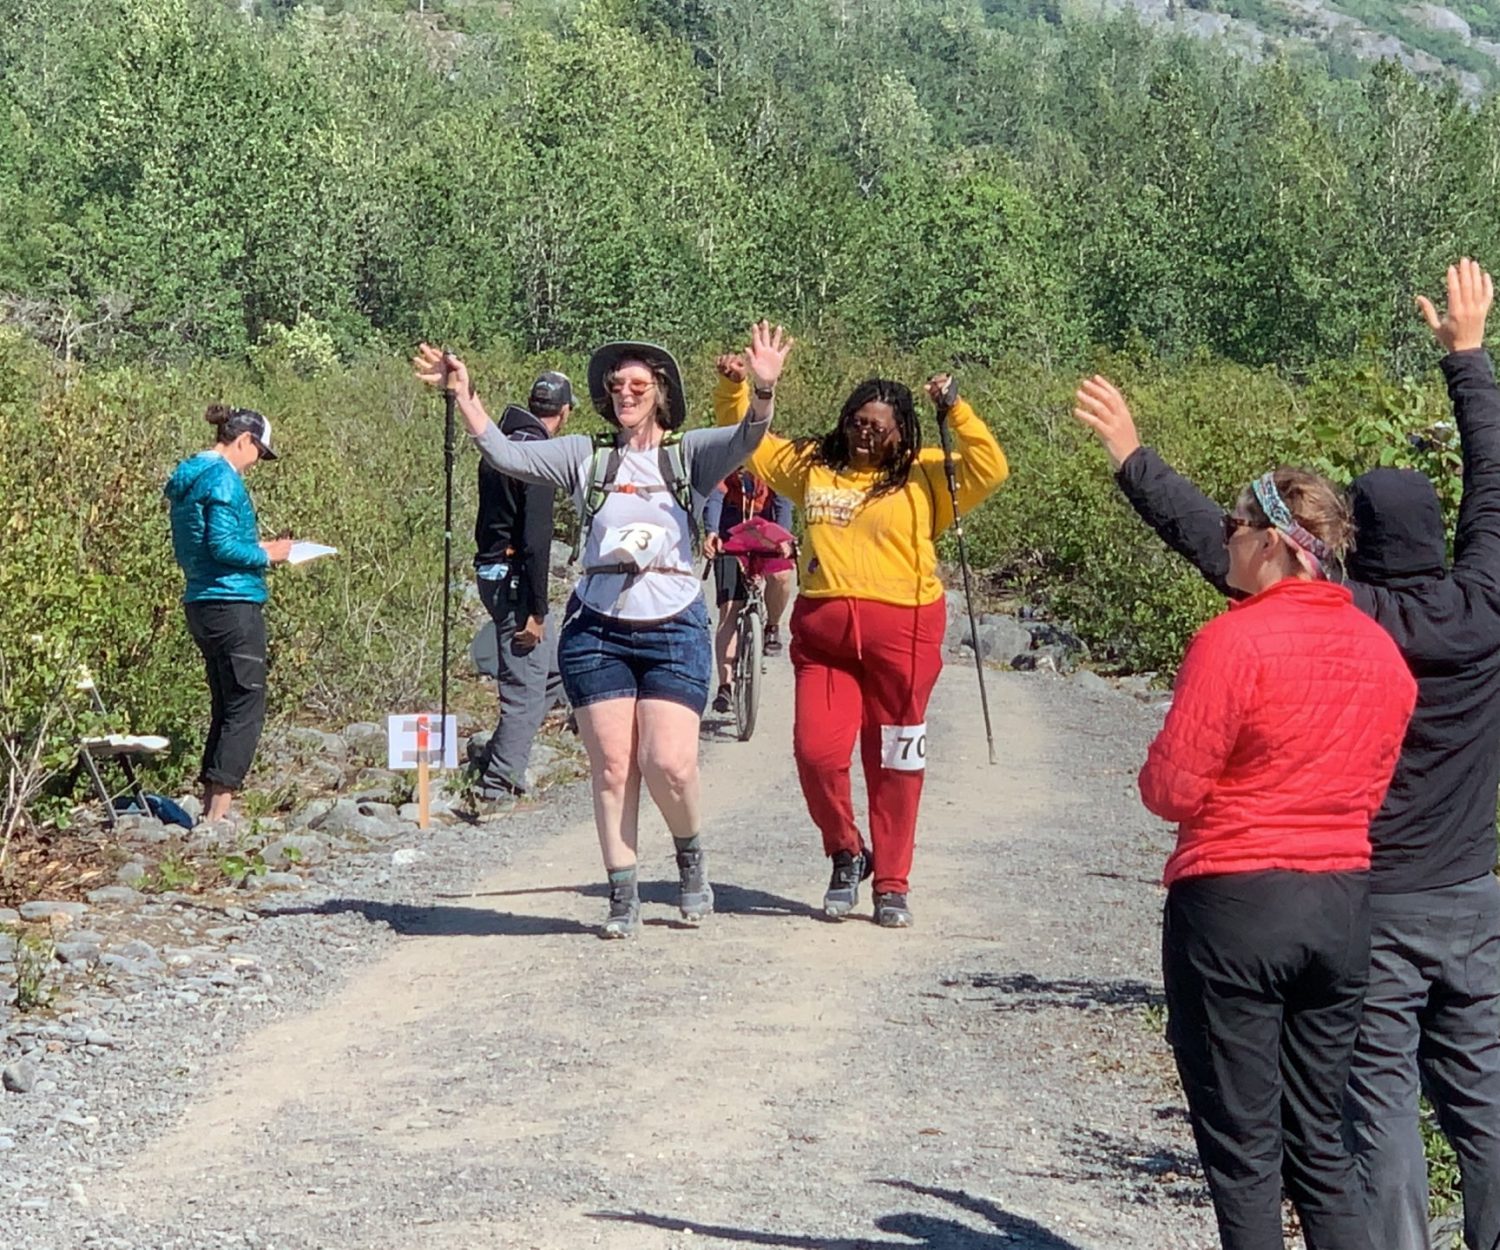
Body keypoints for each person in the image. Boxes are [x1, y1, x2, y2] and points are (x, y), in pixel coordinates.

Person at [1075, 259, 1500, 1250]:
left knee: (1368, 1112)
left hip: (1360, 890)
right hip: (1471, 895)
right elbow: (1494, 493)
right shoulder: (1482, 605)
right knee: (1483, 1100)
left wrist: (1135, 459)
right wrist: (1469, 360)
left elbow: (1221, 550)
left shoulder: (1350, 614)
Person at [414, 323, 791, 937]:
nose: (625, 393)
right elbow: (508, 455)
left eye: (637, 384)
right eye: (616, 385)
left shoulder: (688, 454)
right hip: (598, 629)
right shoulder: (585, 457)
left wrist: (764, 388)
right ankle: (622, 893)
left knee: (670, 763)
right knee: (613, 766)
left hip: (673, 627)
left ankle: (690, 858)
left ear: (660, 391)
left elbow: (751, 435)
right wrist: (464, 394)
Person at [1139, 465, 1415, 1250]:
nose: (1225, 539)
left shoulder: (1232, 641)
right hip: (1340, 907)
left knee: (1244, 1153)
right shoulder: (1382, 653)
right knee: (1321, 1141)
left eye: (1234, 527)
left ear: (1270, 543)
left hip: (1235, 903)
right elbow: (1371, 789)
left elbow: (1171, 791)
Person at [714, 365, 1008, 927]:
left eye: (877, 427)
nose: (863, 434)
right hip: (824, 639)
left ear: (902, 430)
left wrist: (956, 410)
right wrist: (739, 389)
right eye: (856, 422)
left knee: (895, 759)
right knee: (816, 753)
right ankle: (847, 851)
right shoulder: (813, 464)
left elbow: (990, 467)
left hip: (907, 634)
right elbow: (750, 443)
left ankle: (892, 882)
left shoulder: (927, 473)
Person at [164, 405, 292, 825]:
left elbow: (204, 545)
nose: (257, 462)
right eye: (260, 452)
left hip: (201, 601)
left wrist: (257, 549)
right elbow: (221, 546)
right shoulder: (222, 478)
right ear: (244, 440)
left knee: (226, 701)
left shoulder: (191, 476)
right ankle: (218, 815)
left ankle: (210, 808)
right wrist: (268, 555)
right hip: (232, 603)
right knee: (245, 704)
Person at [471, 370, 572, 802]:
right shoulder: (538, 457)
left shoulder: (505, 444)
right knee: (524, 687)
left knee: (553, 671)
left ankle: (500, 754)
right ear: (564, 412)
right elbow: (535, 542)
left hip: (493, 570)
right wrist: (537, 610)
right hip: (514, 580)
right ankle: (498, 785)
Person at [703, 353, 797, 712]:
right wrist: (711, 532)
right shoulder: (726, 453)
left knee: (783, 577)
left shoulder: (774, 454)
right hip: (732, 530)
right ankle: (726, 686)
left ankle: (772, 625)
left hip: (765, 530)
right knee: (730, 609)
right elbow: (715, 495)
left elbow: (783, 501)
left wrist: (785, 540)